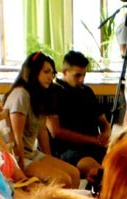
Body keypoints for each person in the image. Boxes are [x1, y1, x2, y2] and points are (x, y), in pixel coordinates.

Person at [4, 51, 80, 188]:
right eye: (46, 72)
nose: (50, 77)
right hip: (17, 157)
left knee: (74, 174)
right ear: (33, 71)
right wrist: (20, 169)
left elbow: (42, 132)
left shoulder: (39, 95)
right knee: (62, 179)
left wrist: (49, 159)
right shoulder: (21, 94)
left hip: (31, 153)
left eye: (52, 73)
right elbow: (16, 137)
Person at [47, 50, 109, 181]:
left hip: (95, 146)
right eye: (77, 75)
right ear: (64, 72)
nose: (81, 79)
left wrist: (106, 132)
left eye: (84, 75)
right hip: (69, 150)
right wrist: (92, 140)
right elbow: (56, 131)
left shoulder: (87, 91)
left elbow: (103, 121)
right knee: (100, 172)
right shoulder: (54, 93)